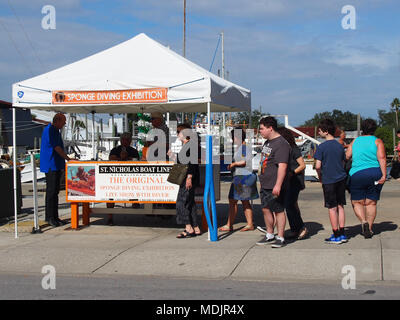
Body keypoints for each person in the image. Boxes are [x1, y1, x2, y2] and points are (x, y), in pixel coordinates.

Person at [346, 119, 386, 239]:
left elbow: (347, 156)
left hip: (357, 174)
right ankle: (369, 227)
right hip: (374, 173)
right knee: (371, 202)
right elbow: (382, 158)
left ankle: (363, 222)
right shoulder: (377, 141)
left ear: (363, 129)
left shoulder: (355, 141)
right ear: (374, 129)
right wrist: (384, 175)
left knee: (357, 202)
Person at [256, 117, 291, 248]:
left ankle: (280, 236)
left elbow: (282, 166)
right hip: (265, 183)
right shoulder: (267, 143)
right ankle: (270, 234)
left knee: (278, 210)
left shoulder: (281, 144)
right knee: (265, 209)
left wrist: (278, 184)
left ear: (270, 128)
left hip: (274, 185)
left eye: (262, 128)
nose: (260, 131)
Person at [219, 127, 259, 232]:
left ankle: (231, 224)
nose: (232, 140)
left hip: (242, 177)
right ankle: (247, 223)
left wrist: (233, 164)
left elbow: (244, 162)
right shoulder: (243, 147)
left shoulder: (244, 148)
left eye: (233, 137)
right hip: (242, 177)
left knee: (235, 201)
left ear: (237, 137)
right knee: (241, 201)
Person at [314, 119, 348, 244]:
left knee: (332, 208)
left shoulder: (321, 147)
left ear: (326, 131)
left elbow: (318, 166)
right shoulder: (339, 146)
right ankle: (343, 233)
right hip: (341, 178)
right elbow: (343, 161)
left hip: (329, 179)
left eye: (320, 130)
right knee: (341, 206)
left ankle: (336, 234)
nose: (319, 132)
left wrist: (320, 177)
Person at [40, 113, 74, 227]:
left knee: (55, 192)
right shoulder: (49, 130)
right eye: (63, 122)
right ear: (57, 120)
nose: (64, 124)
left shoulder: (56, 131)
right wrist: (68, 159)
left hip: (57, 165)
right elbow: (57, 148)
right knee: (51, 192)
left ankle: (55, 216)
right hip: (51, 165)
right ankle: (49, 217)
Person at [277, 127, 308, 240]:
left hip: (295, 180)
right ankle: (295, 229)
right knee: (290, 205)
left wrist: (292, 173)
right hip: (288, 181)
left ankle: (301, 227)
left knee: (289, 204)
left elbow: (302, 165)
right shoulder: (284, 149)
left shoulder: (293, 149)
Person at [106, 132, 140, 225]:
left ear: (130, 141)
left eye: (127, 140)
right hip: (115, 177)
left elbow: (137, 160)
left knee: (137, 185)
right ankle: (110, 217)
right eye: (123, 139)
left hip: (130, 177)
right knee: (110, 195)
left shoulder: (133, 150)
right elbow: (111, 158)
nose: (125, 141)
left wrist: (127, 158)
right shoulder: (115, 149)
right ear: (121, 140)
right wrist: (120, 158)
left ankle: (135, 201)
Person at [175, 123, 201, 238]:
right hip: (188, 177)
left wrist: (189, 177)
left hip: (187, 177)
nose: (177, 134)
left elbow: (192, 163)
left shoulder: (190, 146)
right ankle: (195, 227)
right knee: (190, 203)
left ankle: (188, 228)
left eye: (178, 132)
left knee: (182, 202)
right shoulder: (189, 145)